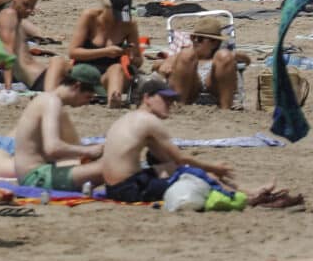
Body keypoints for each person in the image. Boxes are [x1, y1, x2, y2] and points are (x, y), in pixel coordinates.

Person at [93, 77, 237, 203]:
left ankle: (239, 189)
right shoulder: (149, 121)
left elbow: (169, 161)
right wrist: (215, 168)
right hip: (129, 190)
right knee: (194, 175)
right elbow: (181, 159)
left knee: (174, 169)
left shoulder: (126, 118)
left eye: (171, 100)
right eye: (164, 99)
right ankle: (235, 195)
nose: (169, 104)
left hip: (112, 188)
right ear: (147, 98)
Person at [10, 63, 106, 190]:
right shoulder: (52, 102)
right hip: (36, 177)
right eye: (88, 97)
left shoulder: (46, 99)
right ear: (76, 86)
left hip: (32, 173)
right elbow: (53, 148)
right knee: (109, 167)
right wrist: (88, 151)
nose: (87, 103)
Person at [69, 0, 142, 107]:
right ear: (106, 7)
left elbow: (139, 61)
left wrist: (131, 57)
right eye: (116, 14)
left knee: (116, 69)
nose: (119, 20)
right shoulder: (90, 17)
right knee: (58, 62)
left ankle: (114, 99)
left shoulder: (128, 24)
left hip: (108, 77)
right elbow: (73, 52)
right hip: (83, 72)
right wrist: (105, 52)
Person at [158, 15, 241, 108]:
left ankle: (226, 110)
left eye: (200, 39)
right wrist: (166, 63)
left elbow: (247, 60)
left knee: (224, 55)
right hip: (190, 88)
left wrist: (232, 56)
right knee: (186, 54)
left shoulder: (221, 56)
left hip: (214, 87)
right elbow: (158, 67)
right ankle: (180, 108)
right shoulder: (185, 55)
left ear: (215, 43)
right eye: (193, 37)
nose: (195, 41)